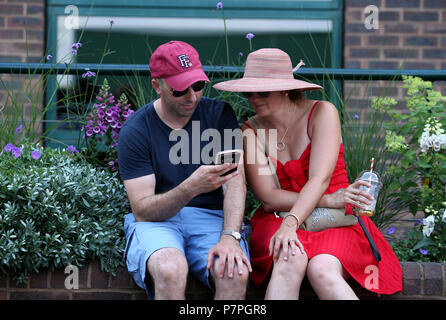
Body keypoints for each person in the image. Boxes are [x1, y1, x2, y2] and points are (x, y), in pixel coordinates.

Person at [213, 48, 402, 299]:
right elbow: (268, 197)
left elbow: (320, 179)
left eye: (263, 91)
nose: (254, 98)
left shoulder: (322, 112)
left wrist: (294, 222)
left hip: (336, 219)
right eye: (249, 92)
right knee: (289, 259)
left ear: (285, 88)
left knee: (323, 269)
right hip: (279, 217)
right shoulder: (249, 131)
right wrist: (324, 202)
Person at [118, 41, 251, 300]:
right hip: (157, 222)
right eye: (180, 90)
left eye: (198, 86)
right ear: (157, 85)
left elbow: (235, 182)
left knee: (233, 271)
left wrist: (230, 237)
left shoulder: (219, 114)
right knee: (170, 269)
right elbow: (143, 211)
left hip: (209, 219)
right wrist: (192, 186)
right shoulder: (136, 130)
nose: (191, 97)